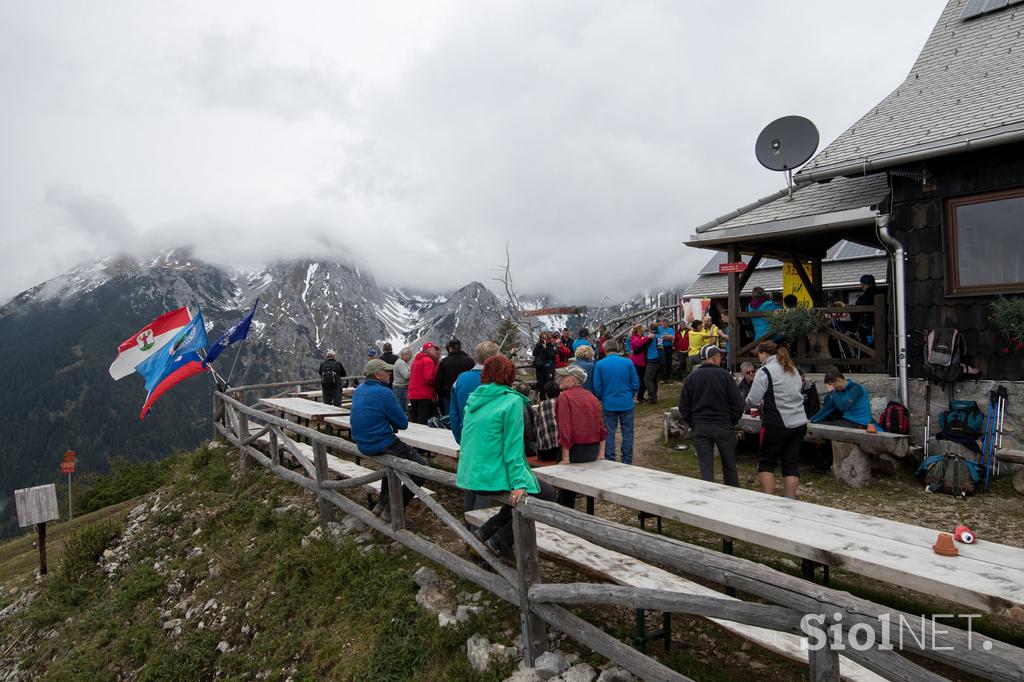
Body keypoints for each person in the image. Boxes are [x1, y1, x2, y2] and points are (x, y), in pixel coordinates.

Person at [458, 356, 556, 561]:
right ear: (510, 377)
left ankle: (484, 532)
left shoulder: (473, 400)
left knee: (520, 498)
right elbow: (513, 449)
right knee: (545, 493)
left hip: (470, 475)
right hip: (491, 475)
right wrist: (519, 482)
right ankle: (500, 540)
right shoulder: (511, 401)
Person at [350, 358, 427, 523]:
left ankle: (381, 505)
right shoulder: (384, 392)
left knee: (391, 466)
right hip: (379, 442)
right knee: (422, 468)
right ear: (378, 375)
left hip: (362, 443)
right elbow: (403, 423)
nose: (390, 374)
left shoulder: (359, 389)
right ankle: (394, 508)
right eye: (387, 371)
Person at [745, 341, 808, 499]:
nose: (759, 359)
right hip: (799, 421)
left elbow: (753, 399)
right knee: (791, 464)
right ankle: (790, 499)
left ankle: (768, 500)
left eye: (759, 355)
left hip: (777, 422)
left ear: (765, 354)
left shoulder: (765, 370)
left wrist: (746, 403)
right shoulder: (792, 368)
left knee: (767, 463)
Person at [677, 345, 744, 486]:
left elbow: (683, 406)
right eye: (720, 356)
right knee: (729, 465)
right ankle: (735, 498)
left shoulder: (691, 377)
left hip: (701, 426)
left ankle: (709, 499)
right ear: (715, 357)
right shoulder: (725, 376)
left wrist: (694, 423)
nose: (721, 358)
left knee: (706, 467)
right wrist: (732, 420)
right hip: (724, 425)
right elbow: (738, 404)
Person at [555, 365, 608, 508]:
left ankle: (563, 521)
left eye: (563, 377)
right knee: (571, 493)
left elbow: (565, 430)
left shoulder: (564, 397)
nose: (559, 379)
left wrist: (565, 459)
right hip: (592, 451)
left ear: (573, 380)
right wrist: (601, 454)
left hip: (573, 452)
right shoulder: (592, 397)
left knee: (564, 496)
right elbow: (602, 428)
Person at [593, 339, 639, 465]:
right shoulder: (628, 363)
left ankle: (610, 458)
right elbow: (635, 383)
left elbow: (597, 386)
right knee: (628, 432)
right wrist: (630, 395)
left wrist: (603, 397)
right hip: (626, 403)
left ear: (605, 349)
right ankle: (627, 459)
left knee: (609, 433)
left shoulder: (600, 364)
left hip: (609, 403)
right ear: (617, 349)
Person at [450, 341, 501, 443]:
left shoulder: (460, 379)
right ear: (495, 358)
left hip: (467, 436)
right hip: (494, 438)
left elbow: (453, 414)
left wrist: (460, 438)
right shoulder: (499, 379)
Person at [810, 369, 878, 429]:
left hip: (860, 422)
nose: (834, 389)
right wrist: (812, 420)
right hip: (848, 420)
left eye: (833, 386)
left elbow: (845, 407)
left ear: (839, 380)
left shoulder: (856, 388)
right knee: (817, 424)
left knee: (825, 428)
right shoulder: (838, 391)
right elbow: (828, 408)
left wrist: (833, 392)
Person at [436, 338, 474, 415]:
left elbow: (439, 380)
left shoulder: (444, 362)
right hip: (466, 395)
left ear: (450, 348)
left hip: (448, 395)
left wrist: (439, 395)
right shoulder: (469, 361)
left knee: (449, 418)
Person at [408, 342, 441, 424]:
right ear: (428, 350)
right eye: (433, 349)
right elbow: (429, 378)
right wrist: (438, 379)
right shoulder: (428, 361)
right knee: (423, 421)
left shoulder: (415, 361)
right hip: (424, 394)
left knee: (415, 419)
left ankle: (414, 436)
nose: (435, 352)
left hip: (413, 394)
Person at [533, 381, 561, 461]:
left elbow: (536, 425)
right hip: (561, 447)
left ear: (546, 394)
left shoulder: (542, 405)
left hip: (545, 449)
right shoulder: (563, 401)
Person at [852, 274, 882, 347]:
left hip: (868, 327)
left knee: (868, 345)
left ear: (862, 284)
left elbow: (856, 314)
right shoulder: (882, 293)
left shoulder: (864, 298)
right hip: (883, 327)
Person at [628, 324, 649, 403]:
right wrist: (648, 338)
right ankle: (638, 397)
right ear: (639, 329)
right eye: (642, 328)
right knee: (641, 380)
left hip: (641, 362)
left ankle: (639, 397)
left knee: (642, 380)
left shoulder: (640, 337)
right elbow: (639, 343)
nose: (643, 329)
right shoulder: (634, 337)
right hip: (637, 362)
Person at [642, 323, 662, 404]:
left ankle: (652, 398)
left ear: (650, 328)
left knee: (647, 379)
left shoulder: (651, 336)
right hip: (659, 358)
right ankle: (654, 397)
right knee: (653, 379)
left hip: (652, 358)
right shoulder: (658, 335)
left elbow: (643, 344)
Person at [391, 347, 412, 413]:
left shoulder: (403, 362)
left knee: (403, 407)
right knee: (401, 407)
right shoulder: (401, 363)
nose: (411, 357)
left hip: (401, 388)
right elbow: (406, 375)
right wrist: (414, 370)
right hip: (400, 388)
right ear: (404, 355)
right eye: (410, 355)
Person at [660, 318, 676, 382]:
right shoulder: (659, 329)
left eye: (665, 322)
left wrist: (663, 337)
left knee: (669, 362)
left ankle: (667, 377)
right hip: (661, 348)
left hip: (668, 348)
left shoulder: (670, 329)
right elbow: (658, 337)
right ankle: (662, 378)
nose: (663, 324)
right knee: (662, 363)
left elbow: (673, 337)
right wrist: (668, 337)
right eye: (663, 322)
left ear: (667, 323)